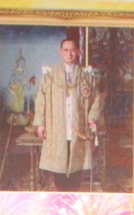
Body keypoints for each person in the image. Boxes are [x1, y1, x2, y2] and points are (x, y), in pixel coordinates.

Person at [34, 34, 102, 191]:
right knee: (60, 166)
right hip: (57, 126)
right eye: (66, 50)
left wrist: (92, 118)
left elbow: (96, 98)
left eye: (72, 50)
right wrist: (41, 124)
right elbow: (41, 100)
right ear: (60, 52)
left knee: (76, 164)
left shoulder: (86, 75)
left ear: (78, 52)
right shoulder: (50, 75)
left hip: (78, 127)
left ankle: (74, 195)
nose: (69, 54)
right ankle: (60, 195)